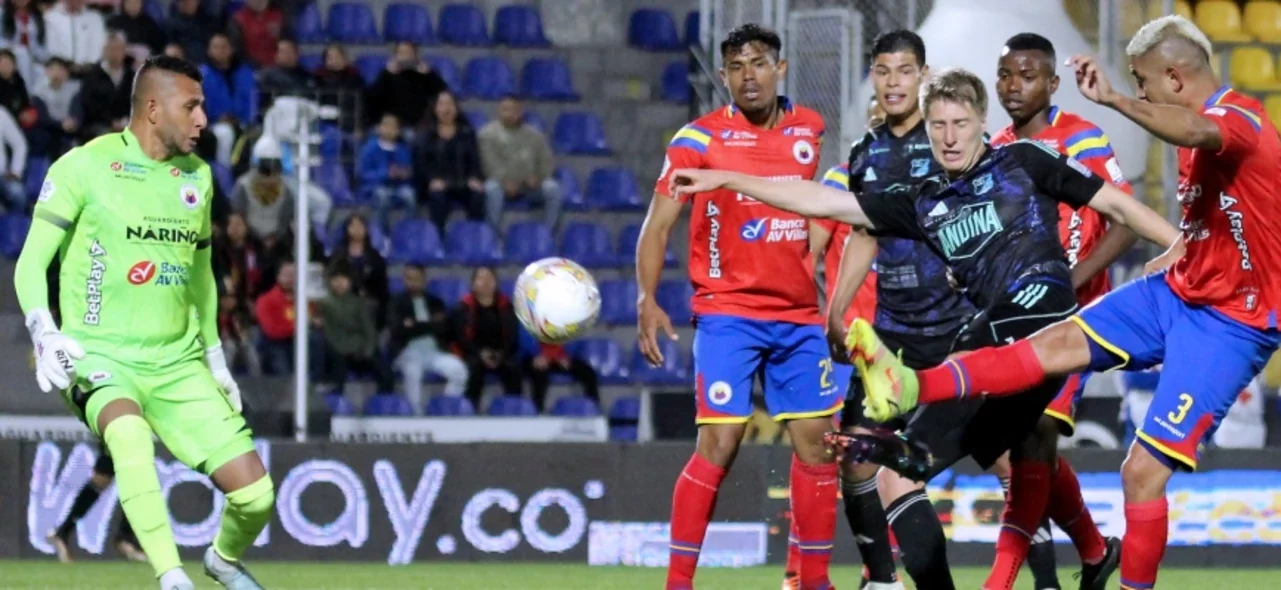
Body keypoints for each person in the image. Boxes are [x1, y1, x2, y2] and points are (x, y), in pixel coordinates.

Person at [668, 67, 1182, 590]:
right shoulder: (921, 200)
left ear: (984, 123)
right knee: (913, 474)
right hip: (1003, 351)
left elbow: (1114, 204)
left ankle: (906, 397)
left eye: (960, 122)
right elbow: (821, 201)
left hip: (1039, 318)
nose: (949, 135)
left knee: (952, 446)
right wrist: (726, 178)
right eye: (937, 124)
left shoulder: (1025, 161)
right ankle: (1055, 564)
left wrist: (1177, 245)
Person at [842, 17, 1281, 590]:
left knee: (1136, 473)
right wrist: (1185, 248)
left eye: (1144, 82)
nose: (1141, 91)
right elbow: (1225, 214)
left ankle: (1067, 568)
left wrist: (1117, 102)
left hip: (1231, 321)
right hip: (1172, 291)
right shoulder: (1002, 152)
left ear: (1173, 78)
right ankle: (914, 390)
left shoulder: (1235, 120)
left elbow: (1165, 165)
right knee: (1045, 367)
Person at [13, 55, 274, 590]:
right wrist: (45, 331)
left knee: (256, 496)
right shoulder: (84, 166)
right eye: (193, 106)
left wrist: (214, 356)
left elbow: (201, 274)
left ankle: (222, 562)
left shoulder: (198, 178)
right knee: (127, 435)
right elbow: (30, 263)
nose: (204, 119)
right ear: (153, 109)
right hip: (98, 355)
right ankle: (171, 577)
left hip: (178, 363)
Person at [641, 24, 838, 590]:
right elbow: (658, 224)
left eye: (758, 63)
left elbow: (814, 206)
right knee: (720, 443)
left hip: (798, 314)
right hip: (728, 311)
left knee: (818, 446)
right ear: (722, 76)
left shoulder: (810, 129)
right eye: (735, 66)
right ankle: (678, 583)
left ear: (780, 69)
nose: (747, 75)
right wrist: (647, 299)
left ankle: (811, 580)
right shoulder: (696, 140)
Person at [788, 30, 968, 590]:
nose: (893, 82)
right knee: (856, 457)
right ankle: (884, 580)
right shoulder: (865, 154)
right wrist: (838, 310)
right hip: (890, 335)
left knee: (1003, 462)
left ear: (922, 76)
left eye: (904, 71)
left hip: (955, 330)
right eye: (883, 71)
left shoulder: (946, 144)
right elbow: (865, 232)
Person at [990, 32, 1139, 588]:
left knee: (1032, 441)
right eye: (1005, 74)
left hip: (1077, 323)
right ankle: (1096, 553)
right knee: (1029, 453)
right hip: (1014, 325)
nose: (1013, 86)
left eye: (1027, 75)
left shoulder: (1083, 139)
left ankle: (1001, 581)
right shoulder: (996, 148)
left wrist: (1069, 283)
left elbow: (1124, 220)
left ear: (1052, 84)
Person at [47, 443, 147, 563]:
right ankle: (125, 538)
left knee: (105, 478)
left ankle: (63, 532)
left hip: (127, 428)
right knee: (133, 475)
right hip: (119, 428)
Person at [388, 264, 468, 413]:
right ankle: (416, 416)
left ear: (424, 280)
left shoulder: (436, 303)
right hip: (407, 353)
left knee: (459, 370)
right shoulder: (396, 303)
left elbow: (443, 328)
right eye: (409, 278)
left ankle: (446, 409)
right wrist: (429, 324)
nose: (412, 282)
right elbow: (398, 330)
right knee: (413, 372)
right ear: (404, 280)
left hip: (434, 352)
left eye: (416, 279)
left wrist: (414, 325)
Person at [478, 95, 561, 230]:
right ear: (498, 111)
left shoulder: (535, 135)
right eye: (505, 109)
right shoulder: (487, 134)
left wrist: (538, 178)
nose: (510, 113)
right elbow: (488, 164)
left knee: (553, 189)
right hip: (500, 185)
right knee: (491, 189)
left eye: (514, 110)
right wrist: (505, 181)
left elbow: (547, 161)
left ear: (520, 112)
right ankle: (492, 235)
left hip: (529, 187)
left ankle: (547, 234)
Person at [450, 266, 522, 410]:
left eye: (490, 278)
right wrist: (480, 354)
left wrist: (501, 354)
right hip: (473, 353)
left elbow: (512, 336)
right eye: (481, 278)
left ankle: (514, 410)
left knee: (514, 369)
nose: (486, 282)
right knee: (474, 368)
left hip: (501, 353)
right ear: (473, 284)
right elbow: (461, 338)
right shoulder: (463, 307)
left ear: (496, 283)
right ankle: (471, 409)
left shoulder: (507, 306)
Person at [318, 261, 394, 395]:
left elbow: (369, 331)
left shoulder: (359, 303)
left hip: (360, 350)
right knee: (337, 370)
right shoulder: (323, 303)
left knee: (384, 370)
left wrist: (368, 349)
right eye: (335, 279)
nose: (339, 283)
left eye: (343, 279)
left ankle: (383, 404)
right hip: (337, 351)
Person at [415, 89, 485, 234]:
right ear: (435, 108)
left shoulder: (467, 132)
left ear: (456, 108)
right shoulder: (425, 135)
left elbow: (475, 159)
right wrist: (431, 180)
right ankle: (438, 237)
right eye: (442, 104)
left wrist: (474, 177)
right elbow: (421, 164)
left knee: (478, 196)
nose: (446, 109)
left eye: (450, 104)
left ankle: (475, 237)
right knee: (437, 197)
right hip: (436, 184)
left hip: (462, 182)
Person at [364, 41, 446, 128]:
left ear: (415, 55)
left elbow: (443, 94)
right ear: (395, 56)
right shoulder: (387, 75)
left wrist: (430, 74)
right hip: (392, 126)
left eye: (409, 53)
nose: (405, 57)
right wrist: (385, 74)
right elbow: (372, 99)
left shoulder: (424, 75)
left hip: (419, 125)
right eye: (401, 53)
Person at [357, 112, 415, 226]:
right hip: (374, 187)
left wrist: (404, 174)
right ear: (379, 128)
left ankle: (408, 229)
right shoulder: (369, 148)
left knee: (410, 195)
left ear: (398, 130)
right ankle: (383, 233)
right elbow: (362, 174)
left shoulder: (403, 150)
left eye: (393, 126)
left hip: (398, 187)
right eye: (386, 125)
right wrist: (386, 174)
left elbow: (408, 171)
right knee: (382, 196)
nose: (389, 129)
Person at [76, 31, 132, 142]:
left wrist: (125, 121)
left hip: (127, 124)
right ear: (104, 51)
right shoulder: (92, 75)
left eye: (118, 49)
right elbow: (88, 104)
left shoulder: (132, 75)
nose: (115, 53)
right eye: (111, 49)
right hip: (98, 125)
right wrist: (110, 122)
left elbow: (137, 102)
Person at [42, 0, 104, 75]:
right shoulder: (50, 17)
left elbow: (98, 46)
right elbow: (52, 48)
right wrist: (68, 65)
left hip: (89, 72)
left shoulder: (95, 18)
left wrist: (86, 66)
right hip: (61, 73)